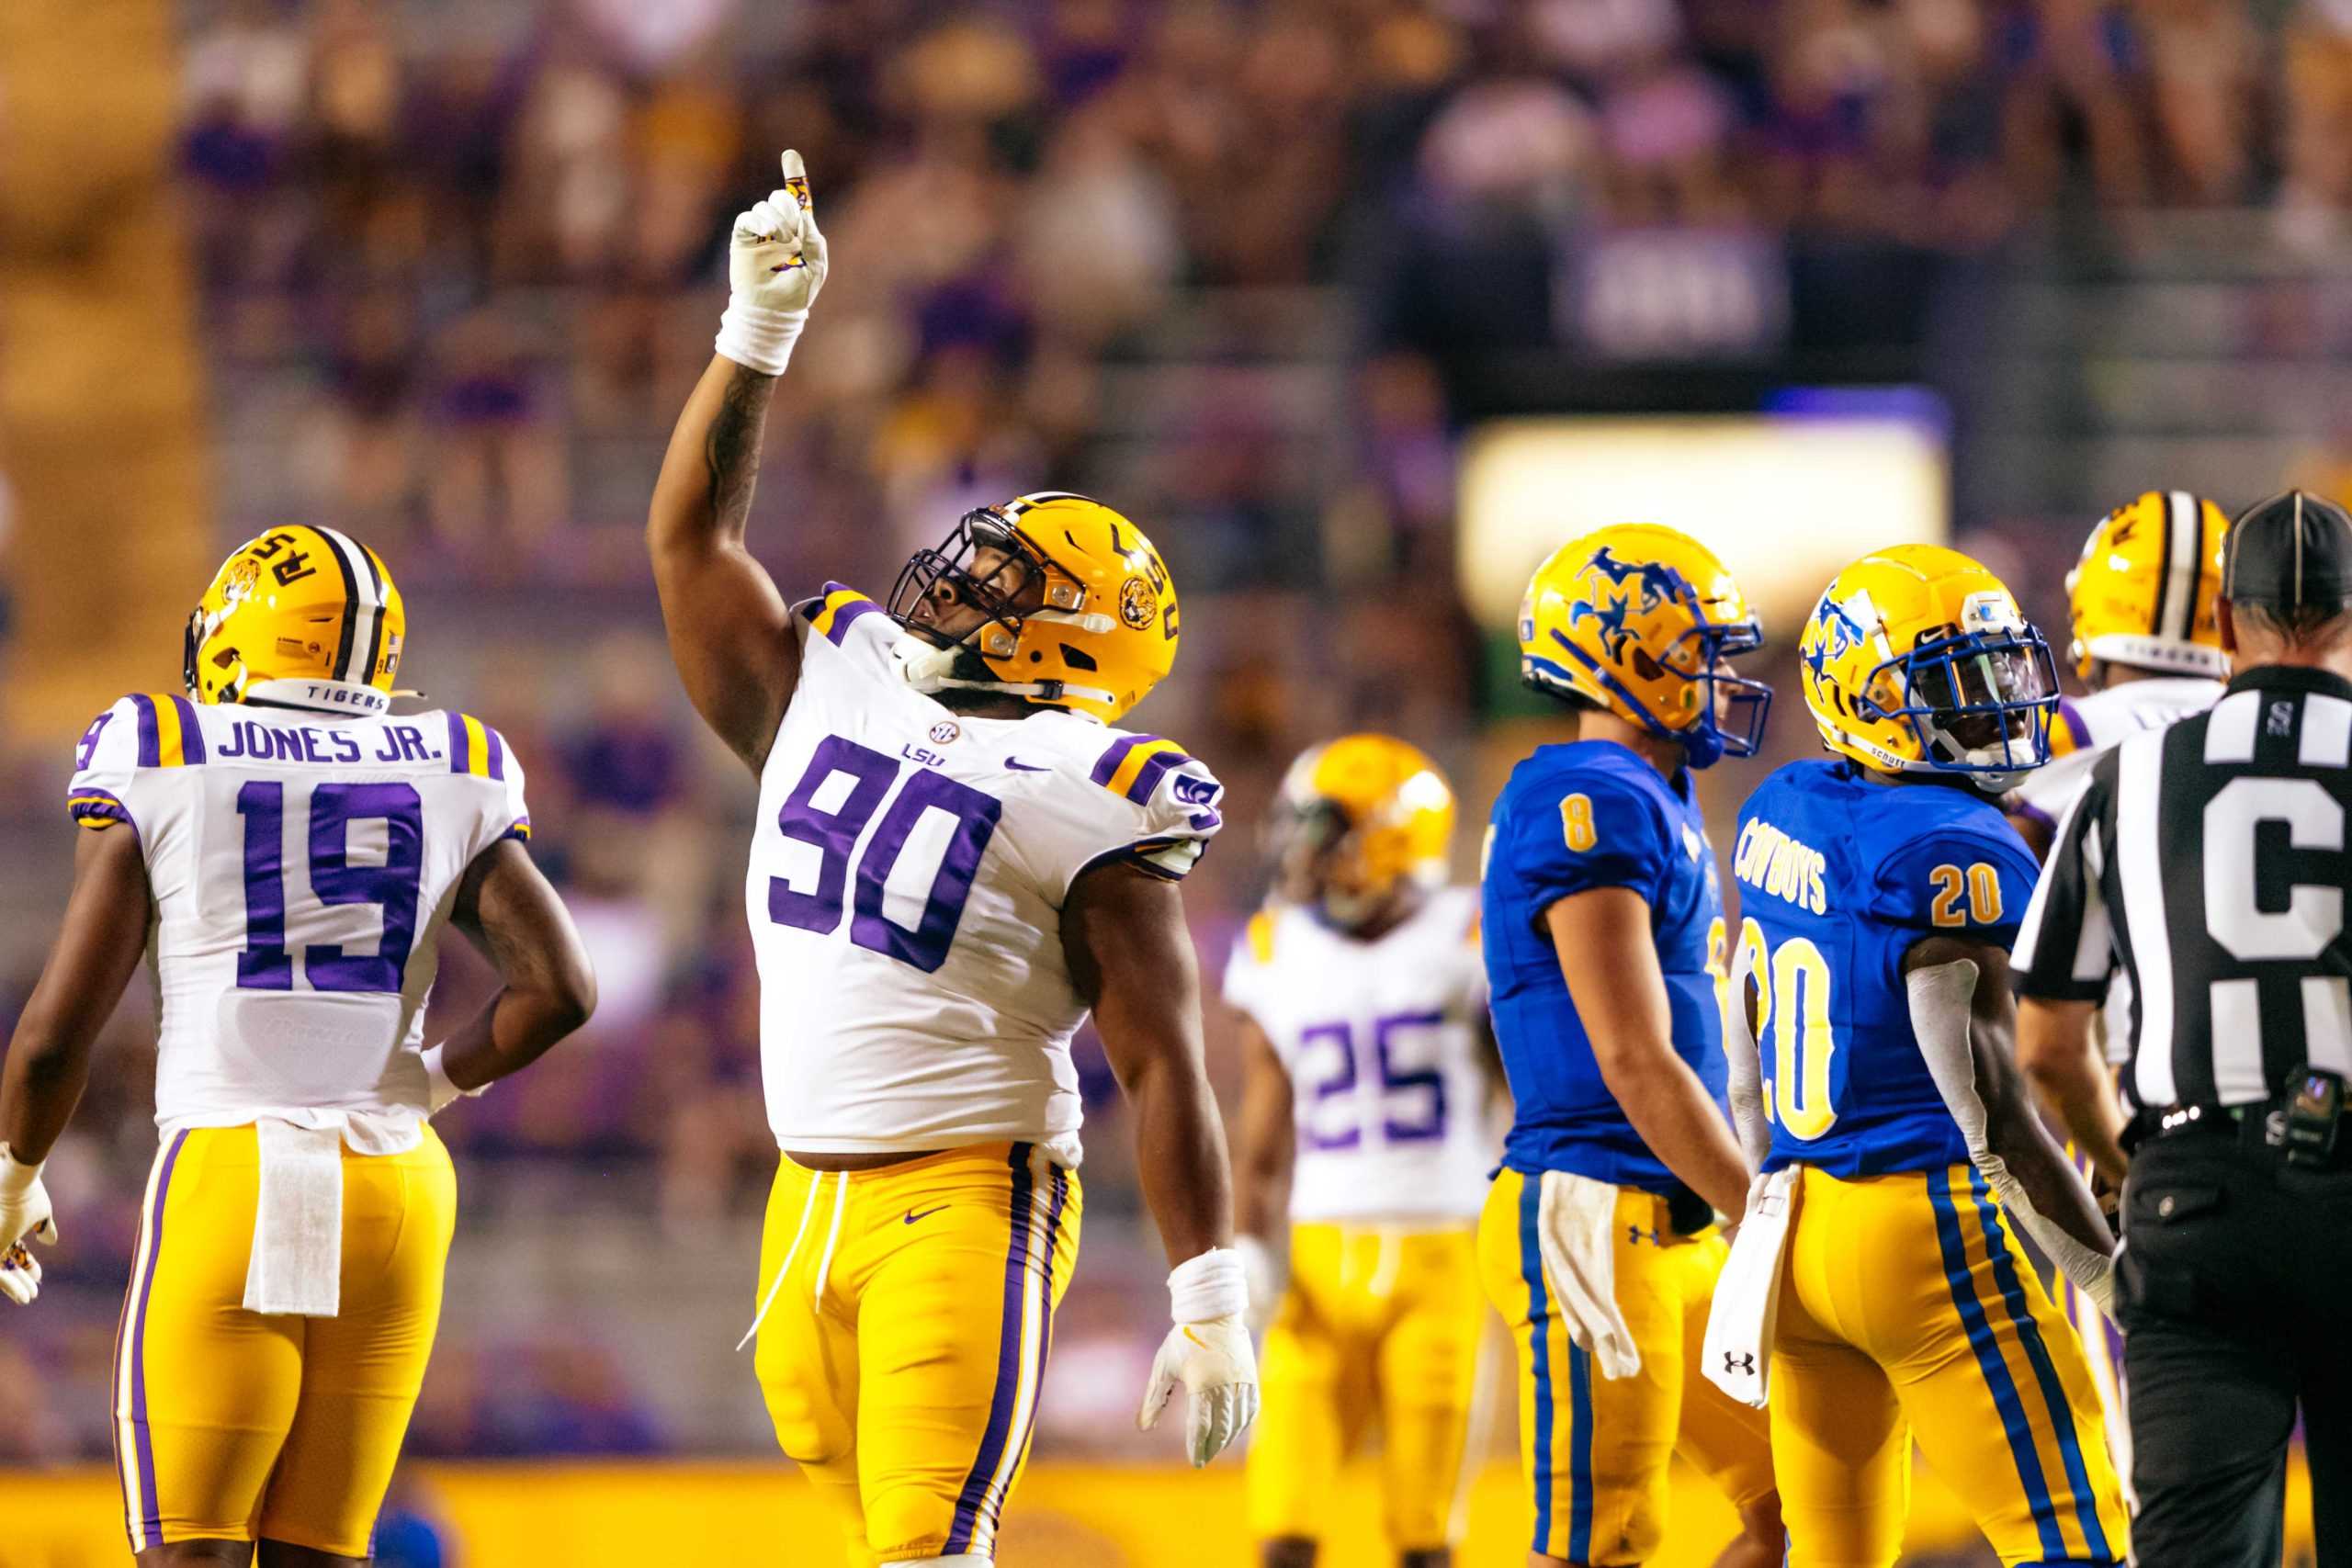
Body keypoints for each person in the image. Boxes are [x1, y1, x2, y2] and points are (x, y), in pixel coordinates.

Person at [642, 152, 1256, 1568]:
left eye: (1011, 583)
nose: (961, 577)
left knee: (933, 1544)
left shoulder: (1091, 791)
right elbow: (690, 541)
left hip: (969, 1197)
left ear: (1078, 639)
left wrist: (1207, 1285)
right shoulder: (837, 677)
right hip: (803, 1204)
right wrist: (756, 338)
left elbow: (1162, 1055)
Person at [0, 526, 595, 1565]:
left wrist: (14, 1173)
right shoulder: (454, 755)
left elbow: (56, 1038)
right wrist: (435, 1082)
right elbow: (560, 989)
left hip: (234, 1164)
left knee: (191, 1550)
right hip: (400, 1183)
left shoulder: (165, 742)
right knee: (323, 1552)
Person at [1710, 543, 2128, 1568]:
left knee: (1834, 1556)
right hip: (1924, 1234)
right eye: (1952, 686)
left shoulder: (1782, 805)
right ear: (1861, 695)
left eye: (1995, 674)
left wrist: (1762, 1189)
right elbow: (1999, 1116)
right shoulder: (1952, 845)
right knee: (2078, 1540)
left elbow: (1743, 1042)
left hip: (1795, 1224)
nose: (1993, 708)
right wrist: (2122, 1288)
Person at [2015, 491, 2352, 1566]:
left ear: (2224, 614)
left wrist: (2124, 1163)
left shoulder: (2125, 773)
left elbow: (2045, 1047)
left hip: (2193, 1189)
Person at [1477, 525, 1784, 1568]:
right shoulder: (1589, 800)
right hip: (1596, 1208)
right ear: (1625, 656)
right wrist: (1761, 1206)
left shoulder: (1649, 794)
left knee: (1797, 1499)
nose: (1725, 679)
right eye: (1702, 653)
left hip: (1673, 1216)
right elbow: (1634, 1056)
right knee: (1601, 1543)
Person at [2007, 490, 2231, 1505]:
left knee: (2138, 1476)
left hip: (2107, 1123)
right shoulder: (2290, 731)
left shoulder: (2044, 744)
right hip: (2280, 1127)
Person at [1227, 735, 1501, 1568]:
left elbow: (1529, 1090)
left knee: (1425, 1531)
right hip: (1317, 1254)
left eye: (1327, 831)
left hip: (1447, 1249)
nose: (1304, 852)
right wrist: (1246, 1243)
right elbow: (1263, 1131)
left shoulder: (1474, 930)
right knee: (1283, 1519)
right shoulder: (1275, 943)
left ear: (1392, 839)